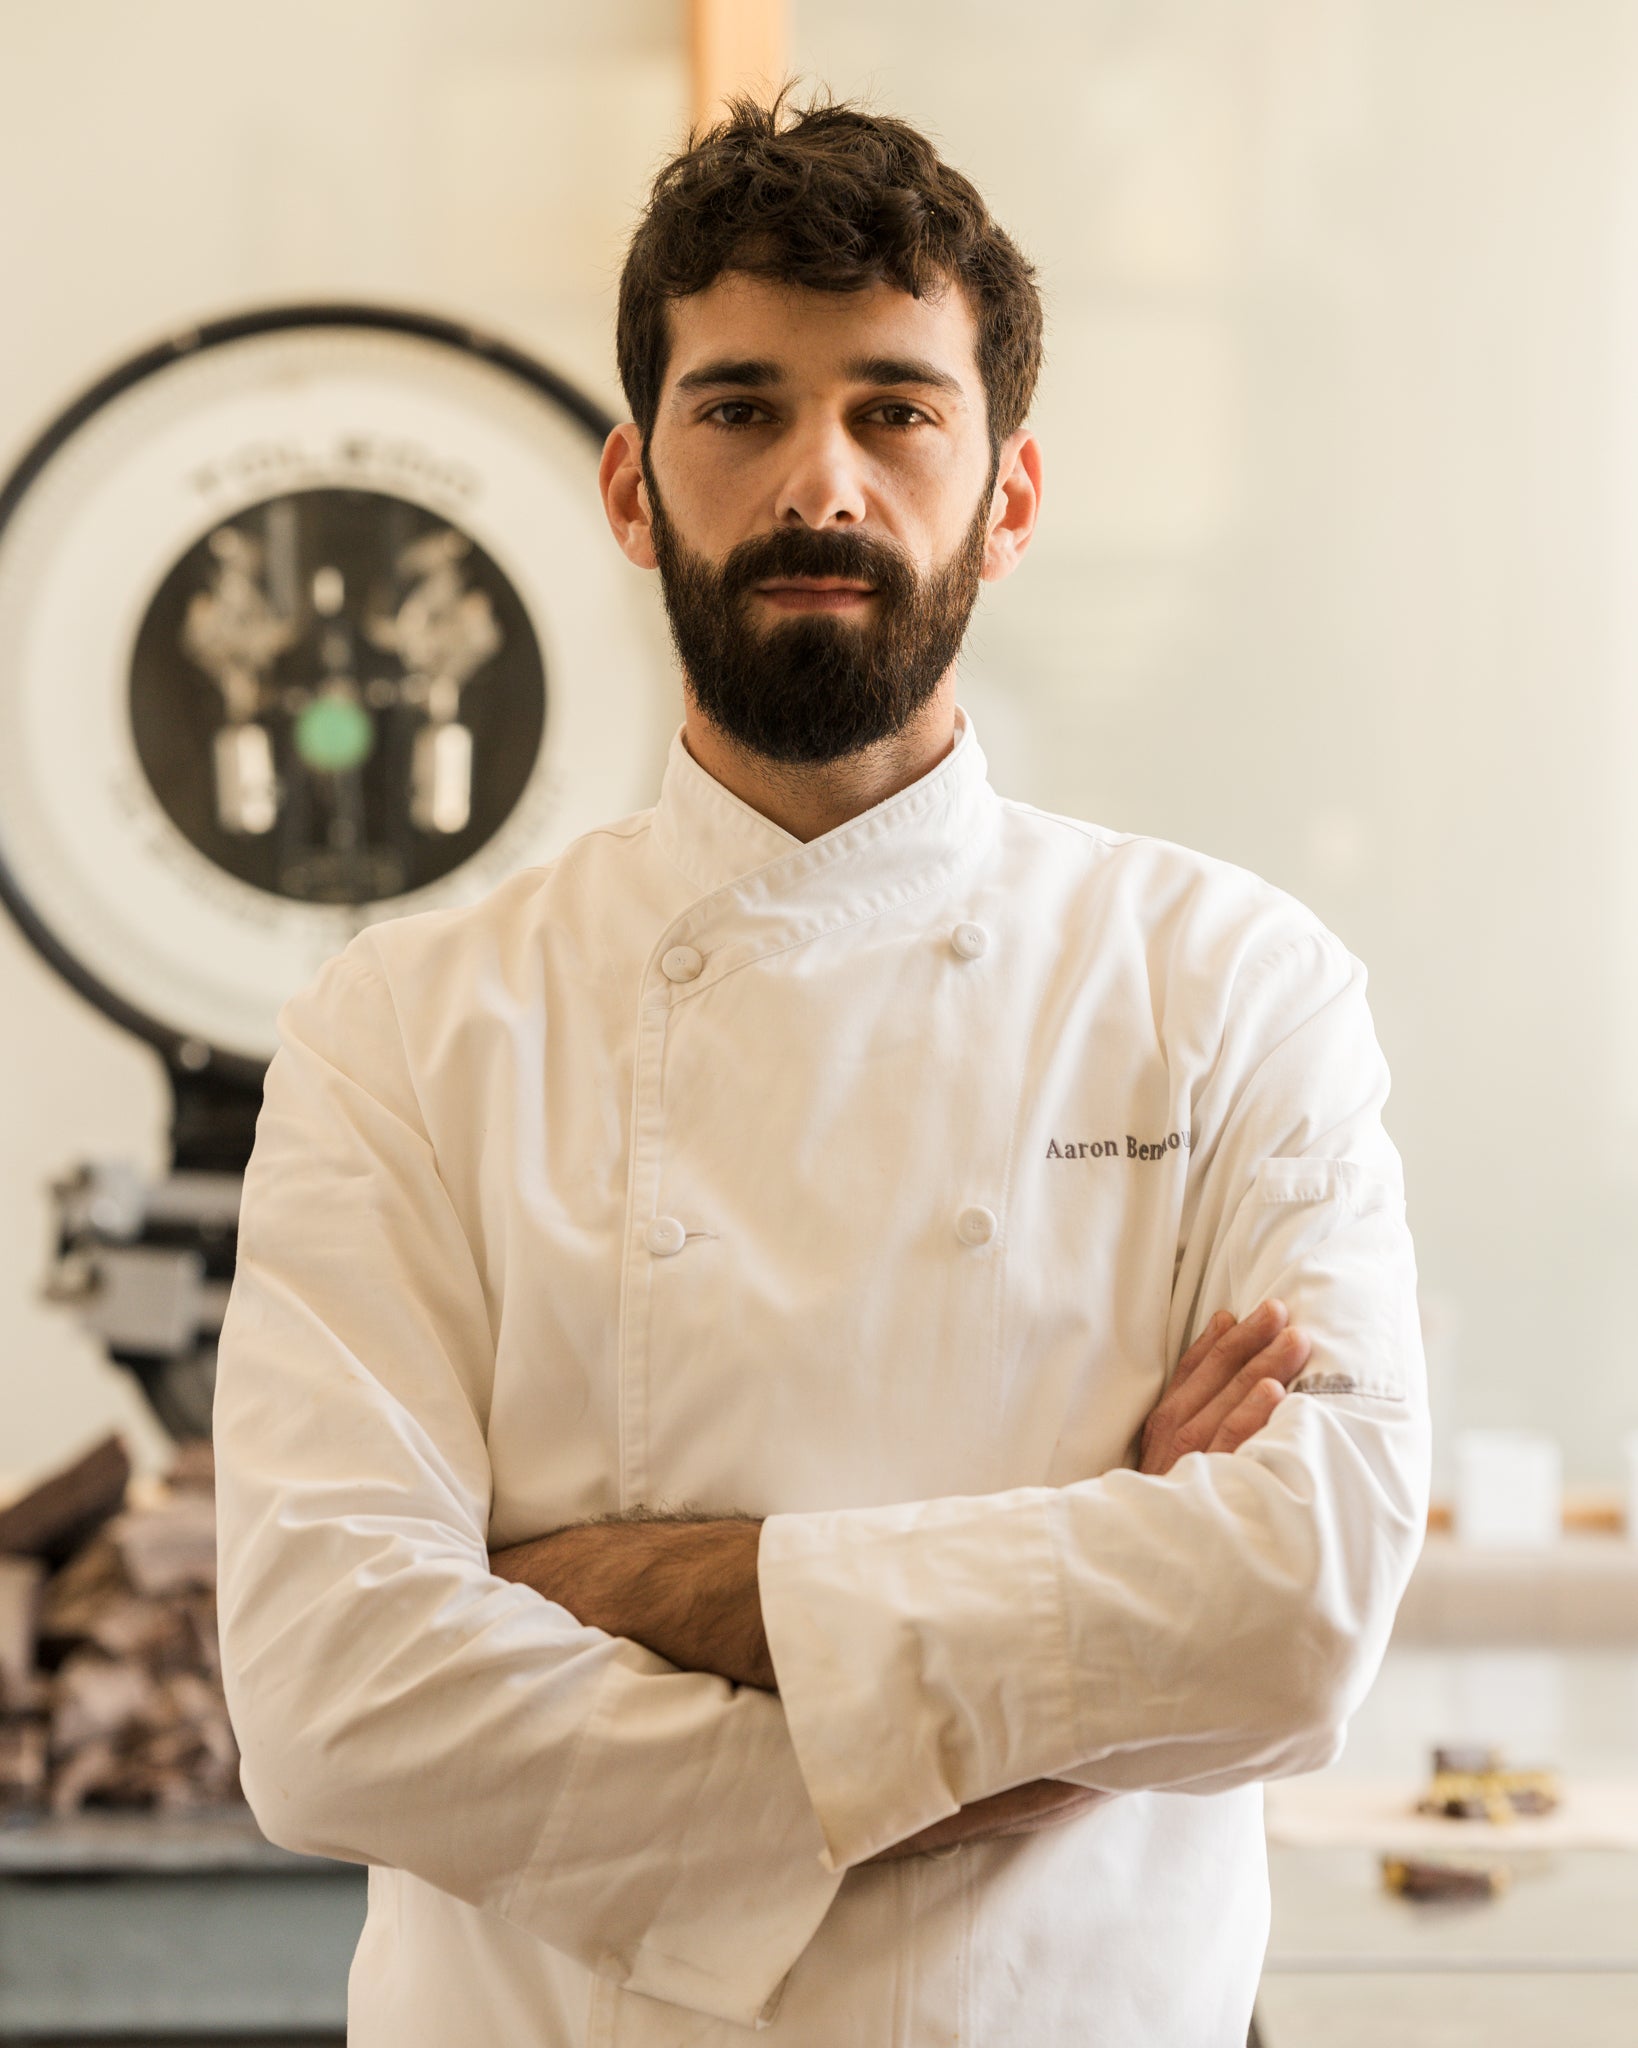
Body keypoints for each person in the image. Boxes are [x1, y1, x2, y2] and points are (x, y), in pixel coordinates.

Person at [214, 93, 1430, 2048]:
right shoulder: (406, 1027)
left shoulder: (1230, 984)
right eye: (740, 407)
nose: (819, 482)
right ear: (633, 487)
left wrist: (618, 1584)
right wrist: (1025, 1702)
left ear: (1007, 499)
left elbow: (1298, 1610)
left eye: (895, 411)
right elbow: (332, 1695)